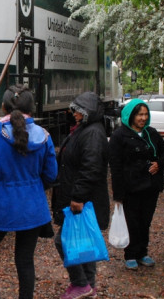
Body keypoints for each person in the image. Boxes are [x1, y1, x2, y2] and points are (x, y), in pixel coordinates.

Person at [0, 84, 58, 299]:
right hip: (33, 207)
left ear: (3, 107)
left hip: (1, 205)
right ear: (32, 107)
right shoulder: (45, 137)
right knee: (24, 260)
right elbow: (50, 175)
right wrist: (34, 186)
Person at [52, 91, 110, 299]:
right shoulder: (86, 129)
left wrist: (78, 197)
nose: (73, 113)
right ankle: (89, 287)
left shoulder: (92, 133)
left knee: (63, 241)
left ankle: (81, 284)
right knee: (84, 243)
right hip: (84, 197)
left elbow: (91, 168)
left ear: (87, 112)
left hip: (84, 199)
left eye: (78, 110)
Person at [109, 99, 164, 270]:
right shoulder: (119, 136)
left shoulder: (151, 133)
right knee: (132, 221)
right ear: (130, 115)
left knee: (145, 221)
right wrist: (118, 193)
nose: (143, 118)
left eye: (145, 114)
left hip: (151, 187)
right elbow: (115, 166)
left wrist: (159, 163)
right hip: (131, 188)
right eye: (139, 114)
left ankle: (142, 252)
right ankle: (130, 254)